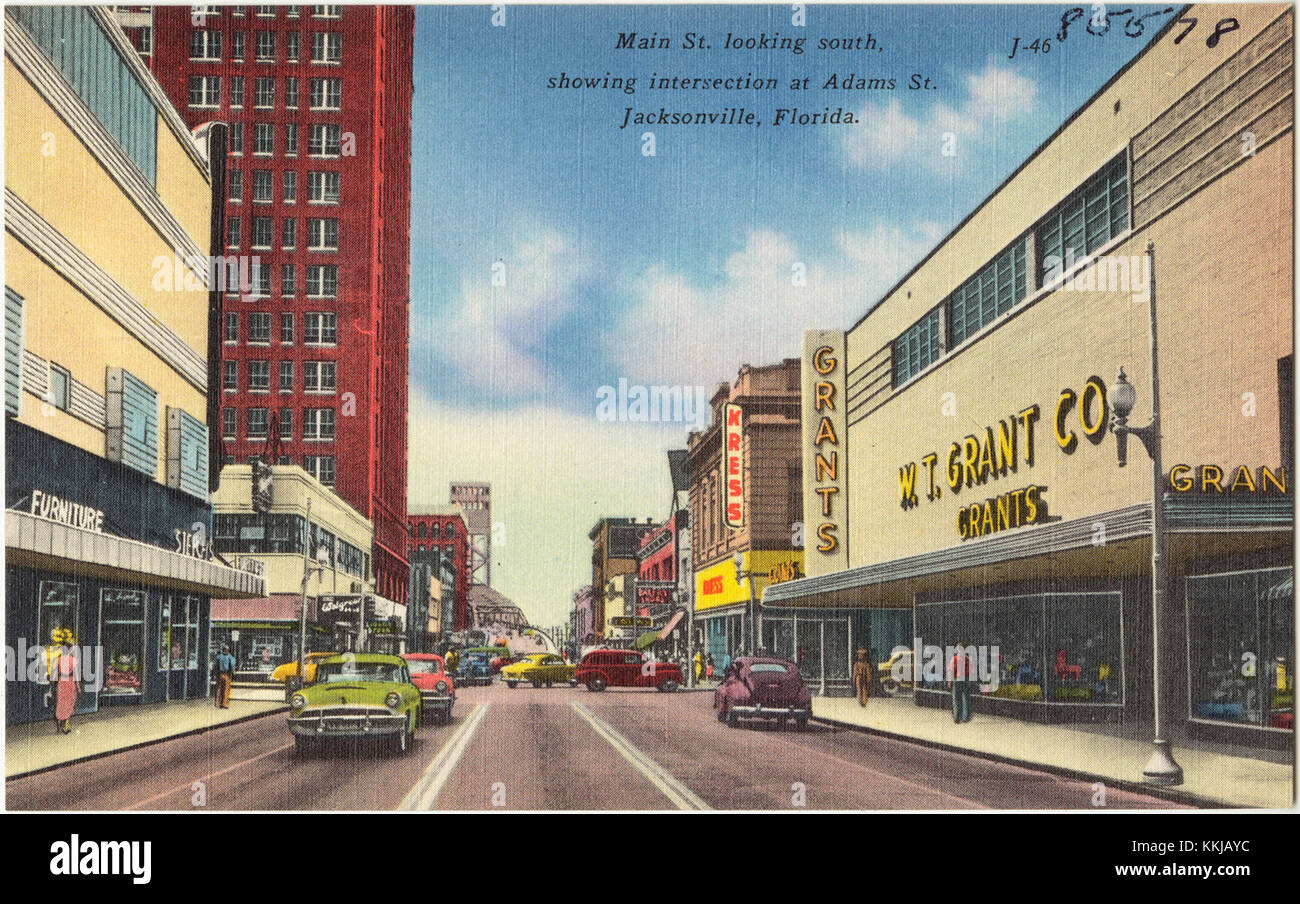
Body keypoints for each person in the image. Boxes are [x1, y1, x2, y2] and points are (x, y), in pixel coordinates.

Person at [52, 637, 78, 735]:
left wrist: (53, 684)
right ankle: (66, 722)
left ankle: (60, 721)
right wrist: (78, 687)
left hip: (61, 682)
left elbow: (54, 674)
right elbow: (76, 675)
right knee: (70, 701)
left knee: (61, 702)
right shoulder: (73, 660)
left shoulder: (58, 660)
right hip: (70, 682)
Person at [948, 641, 975, 724]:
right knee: (965, 698)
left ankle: (957, 717)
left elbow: (951, 670)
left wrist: (950, 681)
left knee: (956, 699)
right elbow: (972, 670)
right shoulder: (967, 659)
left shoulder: (954, 659)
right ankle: (965, 717)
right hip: (965, 679)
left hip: (957, 680)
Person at [215, 644, 236, 709]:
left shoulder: (218, 657)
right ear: (228, 650)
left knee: (219, 688)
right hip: (227, 674)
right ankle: (225, 704)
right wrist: (233, 672)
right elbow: (232, 665)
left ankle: (218, 703)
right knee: (226, 689)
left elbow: (215, 665)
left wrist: (215, 673)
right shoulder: (230, 657)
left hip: (220, 674)